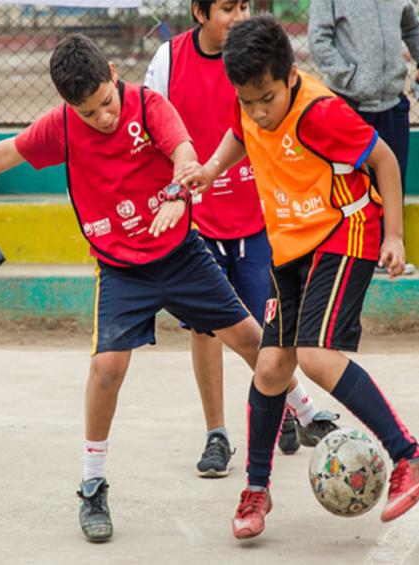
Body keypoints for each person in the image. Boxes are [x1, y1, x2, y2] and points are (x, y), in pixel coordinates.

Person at [0, 33, 266, 543]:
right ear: (68, 106)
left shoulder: (148, 105)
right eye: (88, 112)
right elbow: (7, 153)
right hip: (121, 268)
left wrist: (178, 189)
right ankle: (93, 484)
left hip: (181, 254)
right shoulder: (62, 127)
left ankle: (305, 409)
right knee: (106, 370)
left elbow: (183, 150)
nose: (102, 117)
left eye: (105, 103)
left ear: (114, 75)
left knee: (251, 339)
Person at [178, 15, 419, 540]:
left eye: (267, 99)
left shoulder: (320, 112)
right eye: (248, 100)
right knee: (271, 365)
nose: (259, 110)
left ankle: (410, 455)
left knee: (316, 356)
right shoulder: (248, 102)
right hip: (290, 246)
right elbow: (239, 130)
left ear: (290, 75)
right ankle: (257, 489)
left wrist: (394, 236)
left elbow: (385, 160)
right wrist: (210, 169)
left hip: (344, 231)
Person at [143, 0, 339, 475]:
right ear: (199, 12)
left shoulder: (261, 57)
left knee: (269, 326)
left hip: (257, 214)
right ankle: (217, 434)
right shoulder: (169, 61)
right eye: (227, 7)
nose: (239, 15)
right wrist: (172, 194)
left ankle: (289, 404)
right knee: (205, 327)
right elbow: (152, 133)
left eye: (245, 5)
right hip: (198, 218)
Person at [309, 0, 419, 276]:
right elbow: (318, 40)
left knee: (392, 178)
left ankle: (388, 254)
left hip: (392, 102)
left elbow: (411, 24)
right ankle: (353, 255)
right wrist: (349, 76)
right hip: (349, 102)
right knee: (352, 184)